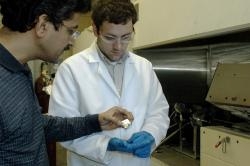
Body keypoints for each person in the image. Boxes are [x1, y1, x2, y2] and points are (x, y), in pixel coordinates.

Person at [0, 0, 134, 166]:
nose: (72, 41)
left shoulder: (19, 68)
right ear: (42, 25)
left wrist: (95, 121)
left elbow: (35, 126)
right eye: (70, 31)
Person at [48, 0, 170, 165]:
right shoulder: (71, 69)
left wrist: (151, 133)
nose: (118, 46)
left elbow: (159, 112)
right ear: (95, 30)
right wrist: (105, 145)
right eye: (110, 37)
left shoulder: (144, 67)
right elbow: (62, 128)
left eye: (126, 37)